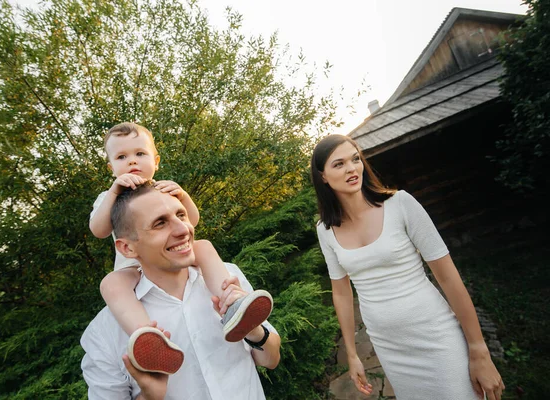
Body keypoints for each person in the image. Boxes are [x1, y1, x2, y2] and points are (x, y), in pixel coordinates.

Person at [310, 134, 505, 400]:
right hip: (390, 347)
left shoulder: (401, 204)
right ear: (322, 176)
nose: (352, 168)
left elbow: (447, 277)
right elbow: (342, 293)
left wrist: (478, 349)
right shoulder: (325, 230)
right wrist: (353, 355)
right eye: (339, 164)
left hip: (435, 334)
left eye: (355, 159)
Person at [89, 122, 273, 373]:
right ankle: (149, 338)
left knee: (205, 246)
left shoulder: (164, 189)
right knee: (110, 284)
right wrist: (113, 192)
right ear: (111, 168)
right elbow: (98, 230)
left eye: (140, 154)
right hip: (133, 267)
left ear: (156, 161)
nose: (132, 161)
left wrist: (183, 196)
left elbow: (192, 222)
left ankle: (232, 305)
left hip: (175, 257)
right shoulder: (111, 196)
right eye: (122, 157)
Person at [81, 183, 281, 399]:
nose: (183, 229)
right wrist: (149, 396)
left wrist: (255, 332)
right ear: (127, 248)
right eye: (160, 223)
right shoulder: (104, 333)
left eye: (181, 215)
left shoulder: (226, 278)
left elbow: (271, 359)